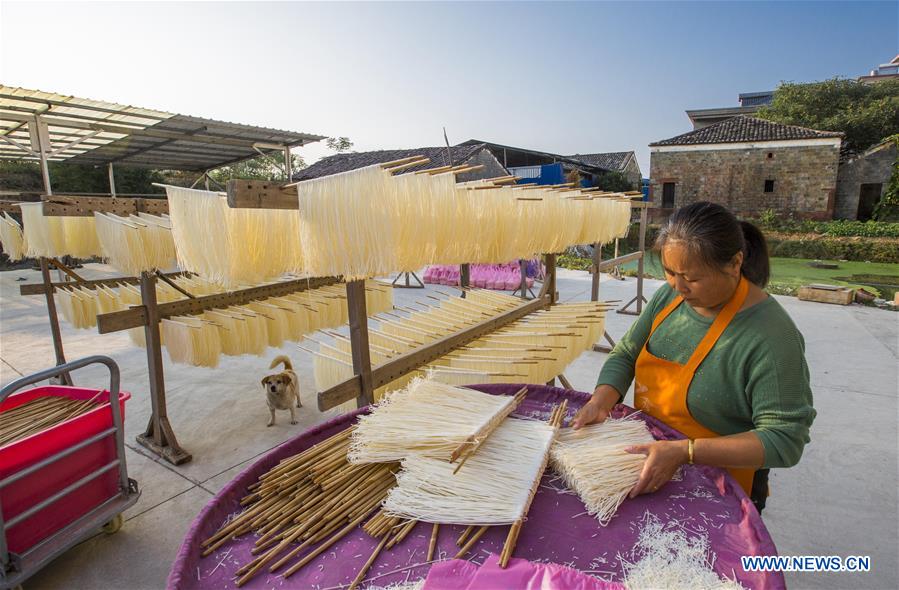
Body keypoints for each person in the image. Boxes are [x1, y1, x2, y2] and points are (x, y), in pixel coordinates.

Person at [572, 201, 816, 513]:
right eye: (670, 272)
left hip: (721, 486)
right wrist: (601, 400)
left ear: (734, 263)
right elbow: (627, 353)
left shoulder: (771, 338)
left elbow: (785, 440)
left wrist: (685, 452)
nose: (678, 286)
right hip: (652, 464)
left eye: (692, 278)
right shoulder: (669, 296)